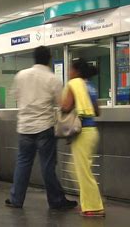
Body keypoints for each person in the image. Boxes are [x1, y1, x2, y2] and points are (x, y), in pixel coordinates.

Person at [5, 46, 77, 210]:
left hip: (24, 127)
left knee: (23, 163)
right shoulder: (52, 78)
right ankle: (56, 200)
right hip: (44, 127)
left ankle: (16, 199)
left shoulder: (21, 75)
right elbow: (63, 105)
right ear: (49, 59)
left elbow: (16, 96)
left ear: (34, 58)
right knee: (47, 165)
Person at [61, 58, 105, 217]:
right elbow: (97, 112)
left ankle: (94, 207)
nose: (69, 73)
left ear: (76, 71)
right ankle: (90, 200)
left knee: (83, 171)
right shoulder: (90, 87)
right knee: (75, 169)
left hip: (83, 131)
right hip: (91, 131)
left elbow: (65, 106)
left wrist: (61, 104)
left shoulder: (75, 84)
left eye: (70, 70)